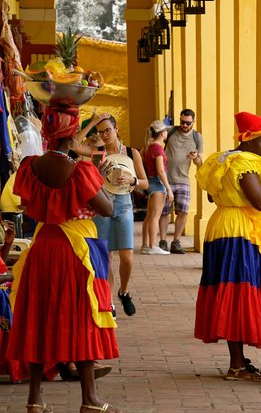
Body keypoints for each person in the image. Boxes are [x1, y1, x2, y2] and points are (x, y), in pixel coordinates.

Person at [6, 106, 122, 413]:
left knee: (37, 318)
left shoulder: (29, 167)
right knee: (80, 318)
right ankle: (90, 399)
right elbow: (107, 208)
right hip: (74, 251)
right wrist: (102, 177)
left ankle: (34, 398)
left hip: (42, 247)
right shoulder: (80, 171)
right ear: (72, 136)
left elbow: (22, 202)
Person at [194, 111, 261, 381]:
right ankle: (236, 366)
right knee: (238, 293)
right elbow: (260, 202)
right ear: (249, 140)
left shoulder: (222, 159)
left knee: (231, 290)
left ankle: (239, 361)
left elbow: (211, 195)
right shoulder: (245, 162)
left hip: (222, 225)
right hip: (239, 232)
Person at [72, 113, 148, 318]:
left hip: (123, 204)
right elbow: (74, 144)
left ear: (117, 130)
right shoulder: (98, 153)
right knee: (106, 257)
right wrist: (93, 123)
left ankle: (123, 291)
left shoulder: (132, 153)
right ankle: (108, 302)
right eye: (100, 131)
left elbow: (145, 182)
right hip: (104, 203)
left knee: (127, 257)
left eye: (108, 130)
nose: (104, 135)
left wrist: (132, 180)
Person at [158, 109, 203, 253]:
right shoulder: (170, 131)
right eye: (182, 122)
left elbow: (200, 162)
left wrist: (195, 157)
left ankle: (176, 242)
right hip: (165, 178)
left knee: (183, 211)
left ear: (193, 122)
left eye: (188, 123)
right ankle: (163, 241)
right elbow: (156, 142)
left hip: (183, 179)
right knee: (164, 212)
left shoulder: (197, 137)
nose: (184, 125)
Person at [141, 120, 173, 254]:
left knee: (149, 216)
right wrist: (169, 189)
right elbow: (160, 170)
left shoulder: (149, 147)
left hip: (151, 182)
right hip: (158, 183)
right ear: (162, 133)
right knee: (155, 216)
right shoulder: (158, 149)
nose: (167, 133)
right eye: (165, 131)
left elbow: (142, 156)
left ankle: (145, 245)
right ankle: (153, 246)